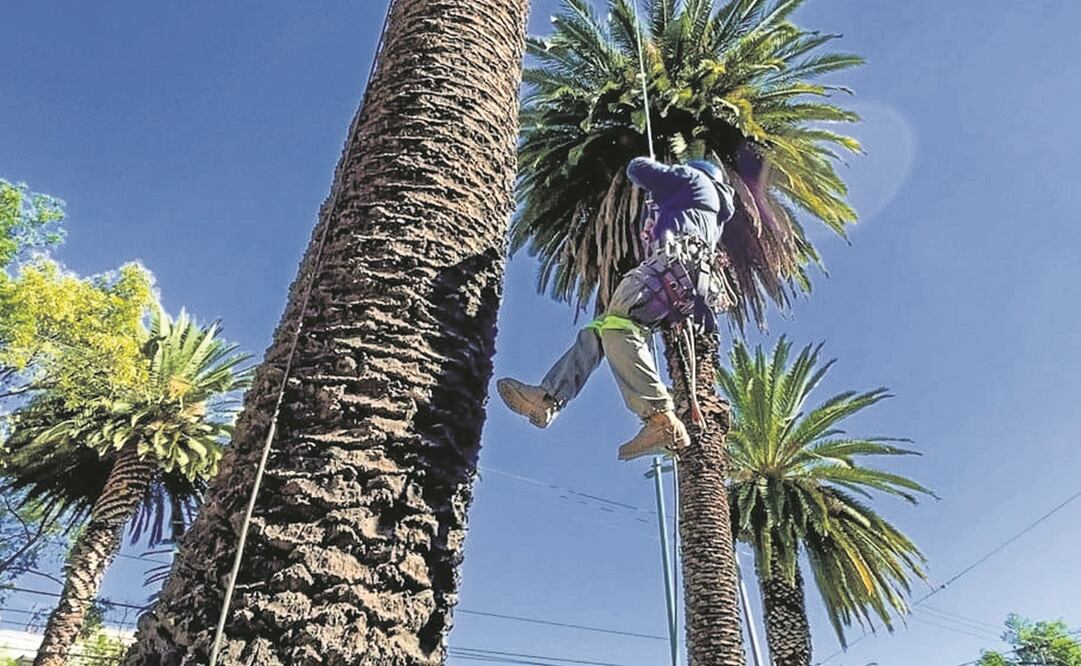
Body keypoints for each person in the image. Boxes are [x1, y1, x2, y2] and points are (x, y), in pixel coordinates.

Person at [497, 156, 736, 461]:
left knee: (617, 326)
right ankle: (547, 398)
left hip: (669, 271)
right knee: (599, 330)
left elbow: (638, 168)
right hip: (682, 283)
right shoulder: (708, 212)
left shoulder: (693, 180)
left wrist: (654, 172)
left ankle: (660, 418)